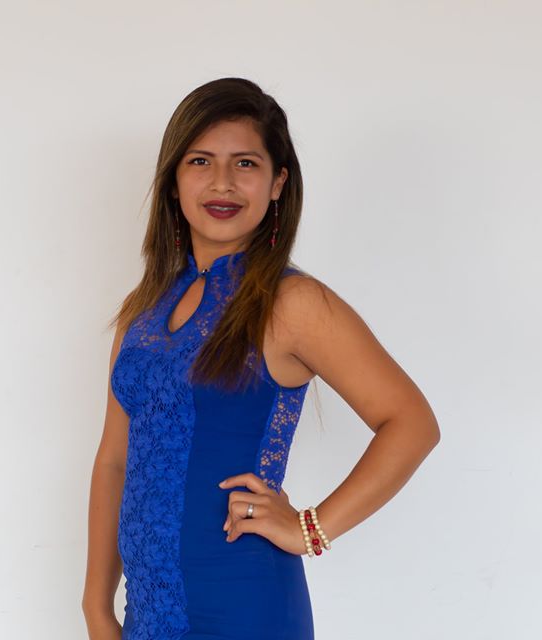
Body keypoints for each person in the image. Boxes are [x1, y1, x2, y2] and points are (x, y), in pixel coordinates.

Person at [81, 77, 441, 639]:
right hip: (147, 614)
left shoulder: (293, 303)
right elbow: (114, 461)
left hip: (245, 606)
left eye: (245, 163)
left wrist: (309, 529)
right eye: (200, 160)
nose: (221, 182)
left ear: (277, 183)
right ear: (173, 180)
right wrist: (96, 607)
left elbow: (412, 423)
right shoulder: (143, 311)